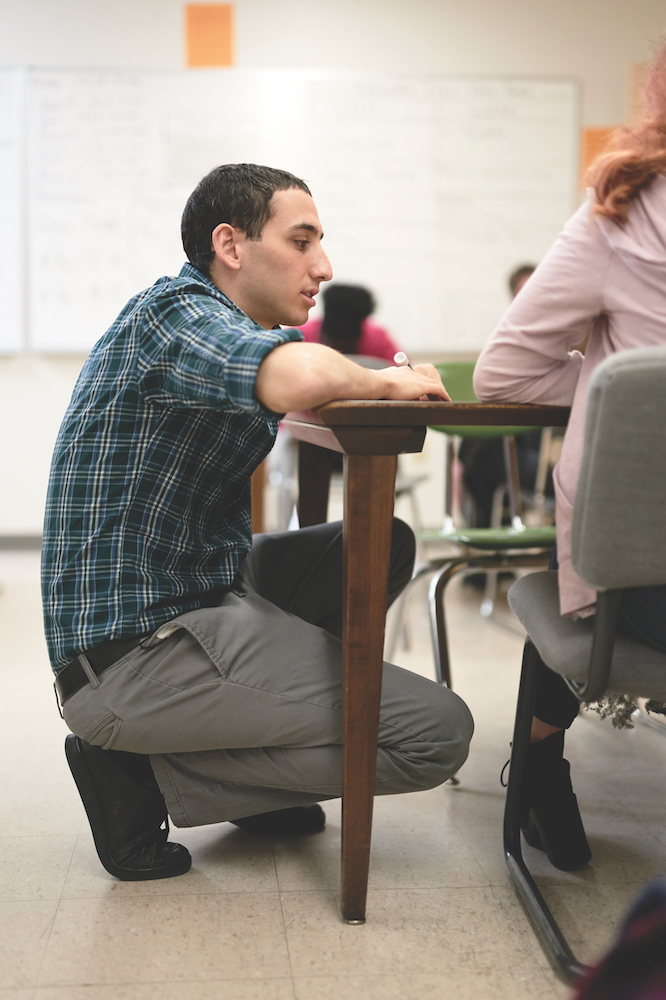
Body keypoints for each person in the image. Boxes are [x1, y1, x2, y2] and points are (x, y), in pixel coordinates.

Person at [42, 163, 473, 881]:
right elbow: (302, 377)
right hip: (130, 655)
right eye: (301, 241)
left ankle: (245, 753)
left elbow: (302, 369)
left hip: (192, 597)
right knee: (436, 734)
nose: (324, 267)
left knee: (378, 543)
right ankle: (141, 773)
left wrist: (368, 375)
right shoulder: (177, 315)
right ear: (231, 246)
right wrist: (389, 379)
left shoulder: (222, 323)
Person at [474, 43, 666, 871]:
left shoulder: (624, 215)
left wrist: (613, 378)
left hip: (648, 601)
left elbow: (504, 374)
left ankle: (542, 773)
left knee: (570, 599)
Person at [299, 283, 402, 363]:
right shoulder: (301, 337)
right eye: (335, 340)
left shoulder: (377, 338)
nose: (341, 345)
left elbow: (403, 370)